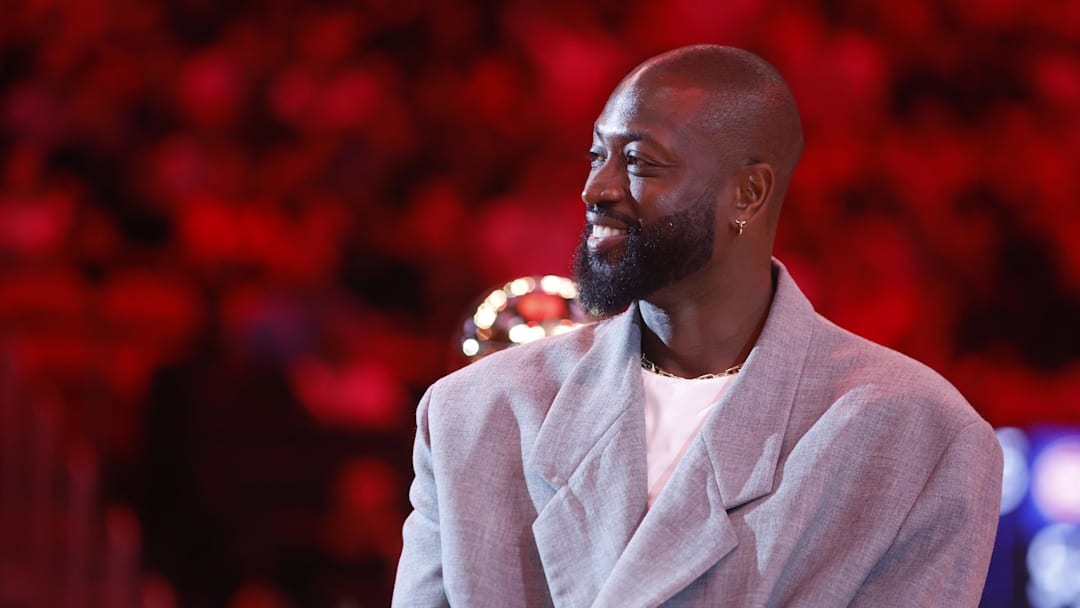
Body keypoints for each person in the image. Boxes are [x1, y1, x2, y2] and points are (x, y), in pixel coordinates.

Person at [392, 44, 1003, 607]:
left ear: (748, 195)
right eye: (596, 155)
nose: (595, 188)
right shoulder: (470, 414)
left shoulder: (919, 435)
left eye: (638, 161)